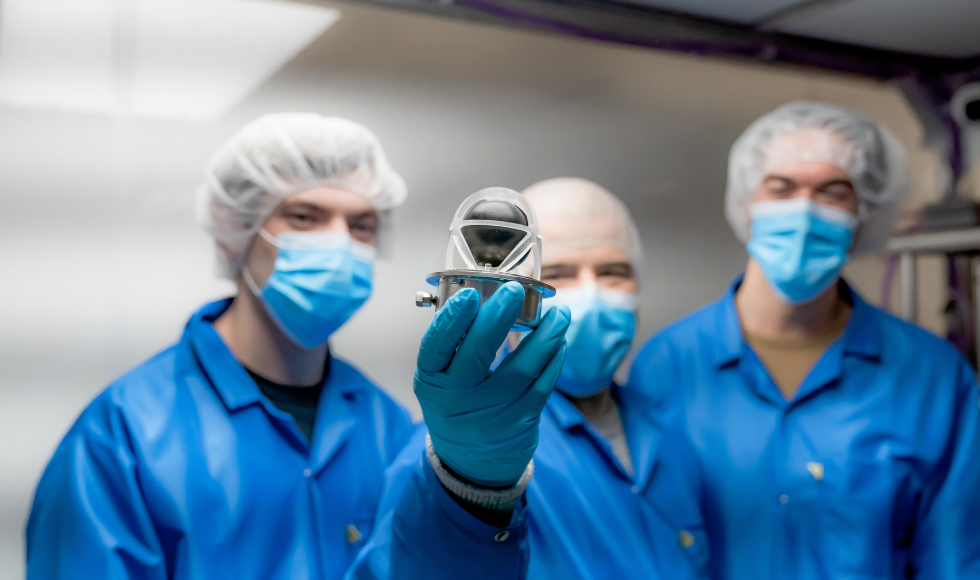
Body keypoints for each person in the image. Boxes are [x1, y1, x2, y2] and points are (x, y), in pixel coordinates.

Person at [25, 113, 569, 580]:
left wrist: (473, 485)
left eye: (360, 224)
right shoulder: (122, 437)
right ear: (238, 232)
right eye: (305, 217)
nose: (338, 240)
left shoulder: (389, 425)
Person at [629, 101, 980, 580]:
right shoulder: (668, 365)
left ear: (866, 214)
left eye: (833, 192)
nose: (804, 210)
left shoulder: (934, 379)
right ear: (747, 203)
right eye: (782, 188)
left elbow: (956, 558)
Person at [348, 178, 704, 580]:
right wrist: (470, 489)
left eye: (612, 271)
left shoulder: (673, 433)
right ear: (508, 292)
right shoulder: (452, 448)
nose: (592, 292)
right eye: (559, 272)